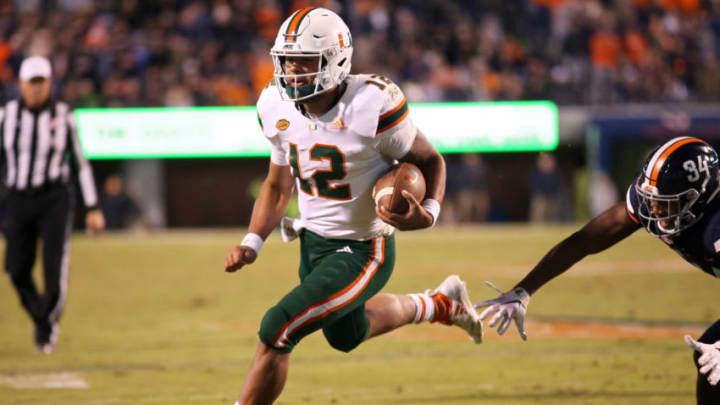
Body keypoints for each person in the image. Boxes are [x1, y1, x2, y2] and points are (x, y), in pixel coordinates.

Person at [223, 8, 483, 405]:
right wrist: (252, 241)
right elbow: (278, 186)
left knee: (278, 328)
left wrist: (428, 212)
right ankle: (439, 304)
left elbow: (431, 160)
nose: (292, 70)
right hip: (313, 243)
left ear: (335, 60)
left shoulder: (372, 104)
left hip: (363, 250)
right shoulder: (275, 105)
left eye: (304, 61)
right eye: (287, 60)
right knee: (348, 334)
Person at [476, 136, 720, 404]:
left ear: (700, 196)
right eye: (652, 200)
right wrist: (524, 290)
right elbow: (587, 240)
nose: (654, 209)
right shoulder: (659, 204)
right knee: (707, 361)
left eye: (665, 203)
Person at [1, 56, 105, 354]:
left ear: (49, 83)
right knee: (15, 269)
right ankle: (43, 319)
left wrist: (94, 207)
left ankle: (45, 330)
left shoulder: (63, 116)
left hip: (53, 199)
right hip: (18, 198)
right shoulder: (6, 117)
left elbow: (80, 164)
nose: (35, 89)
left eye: (41, 83)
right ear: (20, 85)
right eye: (30, 83)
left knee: (53, 269)